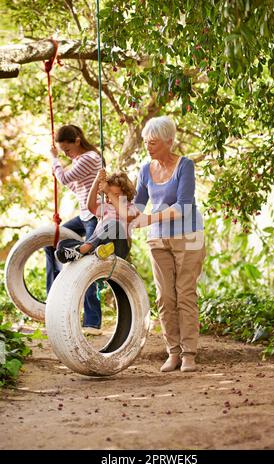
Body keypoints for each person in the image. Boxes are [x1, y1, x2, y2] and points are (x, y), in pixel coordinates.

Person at [133, 116, 206, 373]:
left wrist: (149, 218)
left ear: (169, 141)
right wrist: (108, 192)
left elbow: (184, 206)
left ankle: (189, 355)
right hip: (158, 239)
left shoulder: (185, 166)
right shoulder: (145, 170)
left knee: (185, 294)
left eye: (152, 142)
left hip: (188, 236)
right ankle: (173, 353)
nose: (148, 147)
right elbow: (137, 207)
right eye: (145, 142)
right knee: (165, 297)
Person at [45, 125, 103, 335]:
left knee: (87, 262)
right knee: (51, 244)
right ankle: (51, 301)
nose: (66, 155)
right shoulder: (79, 161)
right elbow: (74, 186)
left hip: (95, 216)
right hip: (84, 215)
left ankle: (92, 322)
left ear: (77, 140)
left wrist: (54, 160)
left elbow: (66, 179)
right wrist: (59, 166)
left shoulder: (90, 157)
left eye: (67, 150)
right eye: (63, 152)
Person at [54, 169, 138, 263]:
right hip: (100, 245)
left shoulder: (130, 207)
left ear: (126, 194)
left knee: (115, 225)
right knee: (62, 245)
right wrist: (96, 181)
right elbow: (90, 206)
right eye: (106, 196)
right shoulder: (104, 207)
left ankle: (85, 249)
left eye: (116, 195)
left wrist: (109, 193)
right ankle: (85, 249)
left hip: (119, 246)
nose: (110, 199)